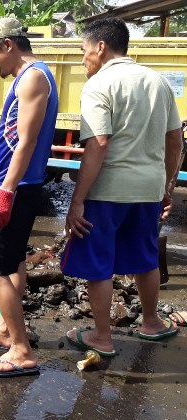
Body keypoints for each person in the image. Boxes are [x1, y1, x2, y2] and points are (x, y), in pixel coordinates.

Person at [61, 18, 183, 354]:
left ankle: (102, 337)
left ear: (100, 47)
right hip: (148, 189)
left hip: (108, 191)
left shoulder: (99, 84)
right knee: (145, 258)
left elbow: (98, 144)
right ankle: (152, 323)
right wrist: (167, 187)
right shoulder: (157, 81)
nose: (83, 59)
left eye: (84, 51)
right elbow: (175, 140)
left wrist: (78, 201)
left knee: (99, 263)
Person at [0, 18, 59, 377]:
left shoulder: (33, 76)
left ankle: (21, 349)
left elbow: (29, 141)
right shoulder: (29, 76)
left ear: (7, 44)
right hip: (12, 184)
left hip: (14, 190)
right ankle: (5, 329)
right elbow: (14, 137)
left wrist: (5, 190)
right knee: (14, 263)